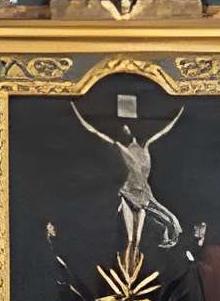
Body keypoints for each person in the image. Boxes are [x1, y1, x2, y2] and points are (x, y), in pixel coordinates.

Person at [72, 104, 183, 252]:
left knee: (156, 227)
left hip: (143, 193)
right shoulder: (121, 148)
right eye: (124, 129)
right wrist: (79, 116)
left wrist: (176, 117)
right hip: (129, 193)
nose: (126, 130)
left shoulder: (143, 148)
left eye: (127, 129)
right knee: (132, 238)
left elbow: (162, 132)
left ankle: (165, 239)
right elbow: (96, 132)